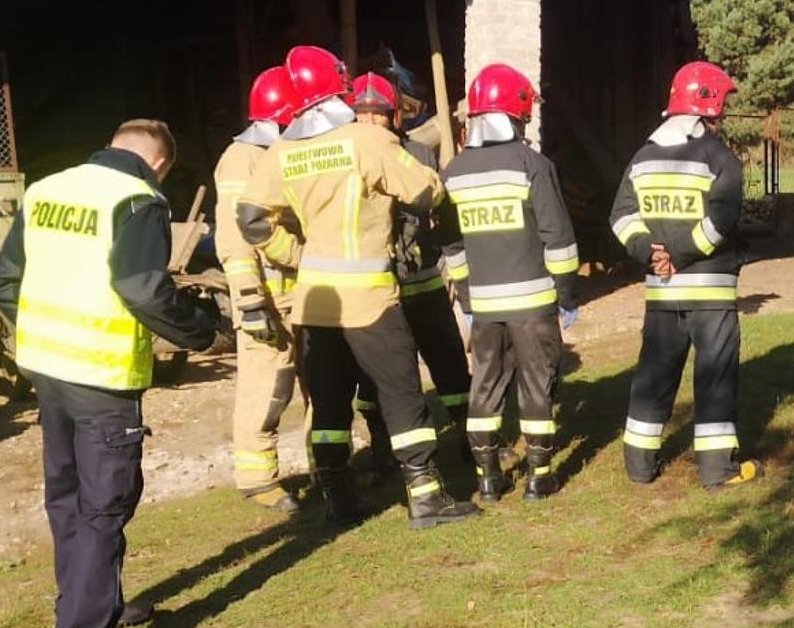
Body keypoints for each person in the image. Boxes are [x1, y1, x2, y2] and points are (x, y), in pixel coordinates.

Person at [0, 119, 219, 628]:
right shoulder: (138, 199)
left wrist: (45, 332)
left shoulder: (47, 190)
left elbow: (4, 281)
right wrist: (202, 331)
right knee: (104, 509)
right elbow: (143, 288)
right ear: (159, 163)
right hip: (102, 378)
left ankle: (91, 606)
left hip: (47, 370)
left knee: (67, 500)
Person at [235, 45, 479, 530]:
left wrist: (295, 254)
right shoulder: (364, 141)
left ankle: (338, 499)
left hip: (314, 302)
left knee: (328, 406)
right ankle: (426, 498)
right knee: (402, 395)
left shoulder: (282, 151)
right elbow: (426, 191)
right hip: (370, 301)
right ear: (336, 87)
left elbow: (250, 217)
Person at [609, 61, 762, 489]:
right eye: (723, 104)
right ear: (709, 106)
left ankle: (639, 466)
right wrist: (680, 252)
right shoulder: (720, 159)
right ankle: (718, 471)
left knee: (654, 375)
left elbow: (621, 217)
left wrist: (650, 252)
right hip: (710, 291)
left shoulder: (641, 158)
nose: (725, 114)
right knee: (714, 376)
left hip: (661, 292)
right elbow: (722, 219)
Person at [440, 63, 581, 502]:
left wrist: (465, 296)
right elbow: (557, 236)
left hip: (483, 307)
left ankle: (487, 479)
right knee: (537, 384)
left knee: (485, 385)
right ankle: (539, 478)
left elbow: (452, 247)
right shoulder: (532, 164)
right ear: (517, 113)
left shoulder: (454, 172)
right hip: (533, 302)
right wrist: (567, 294)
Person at [344, 72, 474, 477]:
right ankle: (382, 446)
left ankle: (471, 439)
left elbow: (440, 214)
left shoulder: (418, 154)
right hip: (376, 290)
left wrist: (462, 277)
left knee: (451, 367)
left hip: (421, 280)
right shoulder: (346, 157)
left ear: (395, 116)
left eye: (377, 115)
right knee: (373, 380)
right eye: (362, 116)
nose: (371, 123)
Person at [214, 67, 303, 512]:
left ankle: (329, 464)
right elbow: (235, 237)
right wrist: (250, 300)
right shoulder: (242, 159)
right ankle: (256, 476)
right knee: (267, 387)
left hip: (303, 292)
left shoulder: (284, 151)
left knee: (320, 385)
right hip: (267, 298)